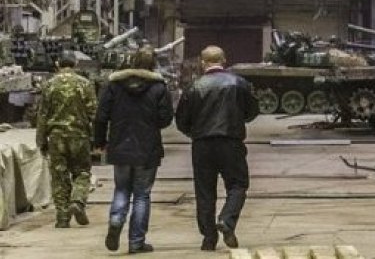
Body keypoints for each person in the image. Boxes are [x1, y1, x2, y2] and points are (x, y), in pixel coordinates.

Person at [174, 46, 258, 251]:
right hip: (231, 142)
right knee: (238, 185)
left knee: (204, 192)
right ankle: (227, 220)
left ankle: (208, 239)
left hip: (202, 145)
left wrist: (195, 133)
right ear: (224, 61)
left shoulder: (194, 87)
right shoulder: (238, 83)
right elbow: (252, 111)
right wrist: (237, 121)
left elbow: (181, 121)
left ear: (203, 63)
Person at [93, 45, 173, 254]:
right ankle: (136, 242)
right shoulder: (159, 88)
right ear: (153, 64)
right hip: (147, 148)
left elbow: (101, 116)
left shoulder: (114, 86)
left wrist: (99, 142)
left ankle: (116, 220)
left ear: (131, 61)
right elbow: (165, 119)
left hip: (119, 146)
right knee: (141, 195)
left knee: (121, 189)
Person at [35, 51, 98, 228]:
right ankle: (77, 201)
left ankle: (62, 218)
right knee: (82, 172)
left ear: (57, 64)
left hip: (56, 137)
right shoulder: (85, 84)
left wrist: (41, 140)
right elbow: (93, 111)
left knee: (59, 176)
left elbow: (42, 115)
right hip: (80, 136)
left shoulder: (49, 85)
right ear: (75, 64)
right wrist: (98, 138)